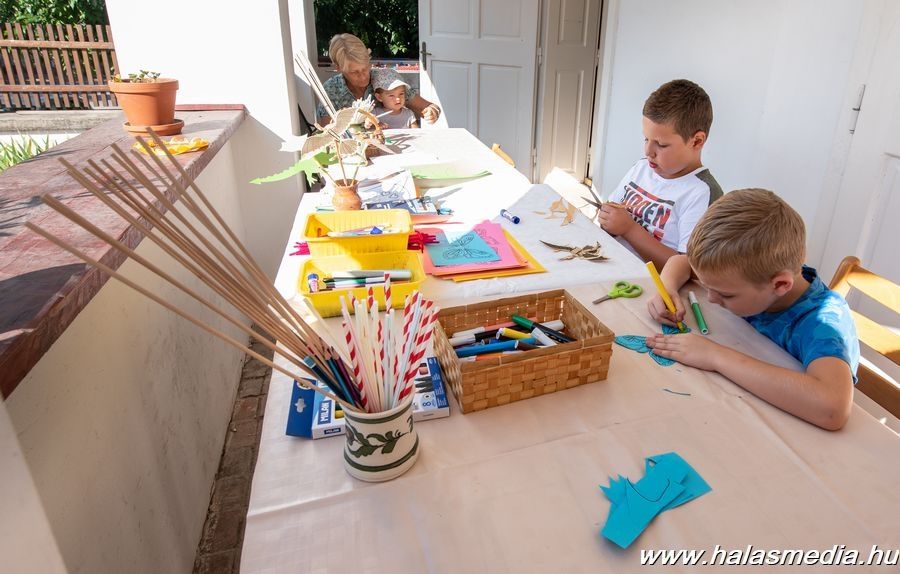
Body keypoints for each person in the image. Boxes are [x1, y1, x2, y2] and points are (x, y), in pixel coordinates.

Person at [645, 188, 859, 431]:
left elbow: (832, 409)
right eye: (707, 287)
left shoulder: (823, 322)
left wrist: (715, 356)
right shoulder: (751, 273)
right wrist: (667, 287)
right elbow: (681, 262)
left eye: (726, 294)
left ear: (780, 285)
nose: (711, 298)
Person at [598, 79, 722, 270]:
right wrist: (608, 220)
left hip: (645, 283)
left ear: (697, 141)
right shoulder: (642, 168)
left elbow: (687, 270)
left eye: (661, 145)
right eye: (646, 139)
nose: (648, 151)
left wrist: (629, 229)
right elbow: (612, 217)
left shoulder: (701, 193)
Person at [316, 33, 440, 125]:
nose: (363, 76)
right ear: (338, 68)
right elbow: (327, 133)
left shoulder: (385, 79)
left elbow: (428, 107)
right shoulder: (331, 90)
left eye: (365, 67)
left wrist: (432, 111)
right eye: (354, 72)